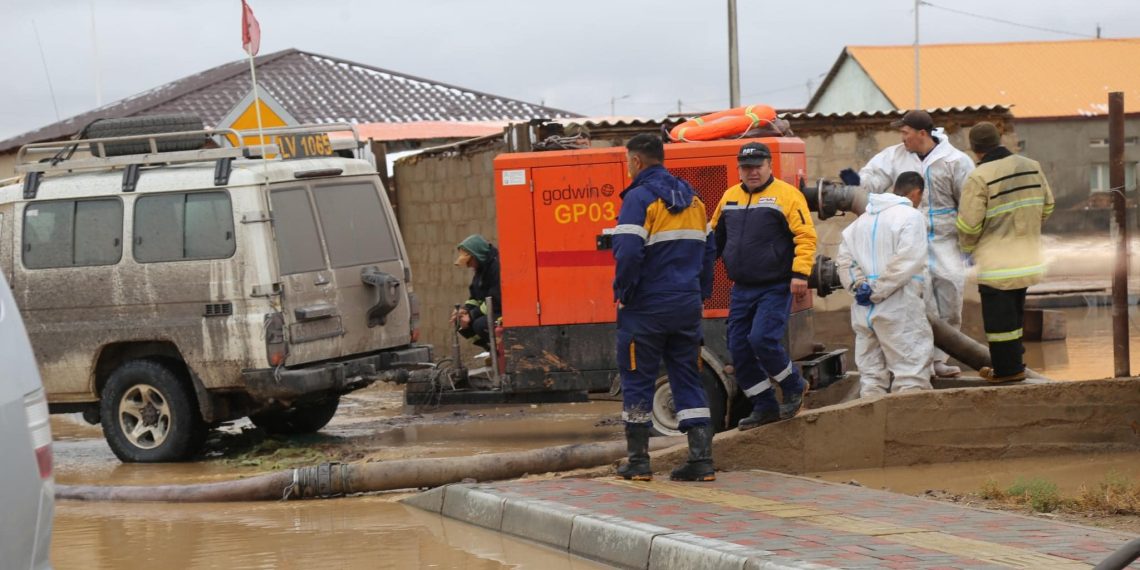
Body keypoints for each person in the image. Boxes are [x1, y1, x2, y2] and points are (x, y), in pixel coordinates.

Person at [612, 133, 717, 482]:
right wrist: (700, 293)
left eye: (627, 162)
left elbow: (628, 251)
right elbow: (709, 251)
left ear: (636, 161)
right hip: (686, 305)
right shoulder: (694, 200)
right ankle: (701, 462)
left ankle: (639, 462)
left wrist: (624, 291)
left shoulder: (639, 198)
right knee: (687, 376)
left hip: (646, 307)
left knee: (637, 378)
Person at [848, 110, 975, 379]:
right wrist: (854, 184)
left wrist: (970, 243)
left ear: (922, 134)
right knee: (916, 302)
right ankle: (920, 362)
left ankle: (939, 359)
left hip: (945, 240)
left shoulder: (955, 161)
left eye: (905, 133)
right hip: (907, 237)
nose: (902, 138)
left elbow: (970, 203)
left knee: (949, 298)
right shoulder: (895, 156)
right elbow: (873, 177)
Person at [711, 142, 817, 431]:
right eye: (747, 167)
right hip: (742, 287)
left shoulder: (787, 196)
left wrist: (800, 274)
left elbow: (806, 236)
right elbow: (715, 239)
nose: (753, 172)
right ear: (739, 170)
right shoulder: (730, 197)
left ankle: (794, 385)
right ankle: (764, 405)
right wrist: (698, 273)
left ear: (769, 166)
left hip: (776, 285)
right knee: (738, 348)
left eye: (758, 166)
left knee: (761, 339)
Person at [957, 122, 1055, 383]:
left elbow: (969, 225)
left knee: (999, 325)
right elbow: (1047, 206)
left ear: (975, 149)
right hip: (1027, 259)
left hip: (997, 264)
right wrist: (1027, 232)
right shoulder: (1031, 166)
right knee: (1014, 316)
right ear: (999, 140)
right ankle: (1015, 364)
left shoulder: (979, 177)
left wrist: (967, 250)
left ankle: (1007, 372)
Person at [837, 172, 934, 397]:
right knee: (910, 374)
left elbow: (845, 262)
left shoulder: (857, 225)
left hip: (863, 311)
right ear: (916, 194)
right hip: (898, 306)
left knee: (871, 377)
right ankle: (909, 416)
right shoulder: (911, 217)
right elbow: (907, 260)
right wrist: (877, 290)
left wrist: (859, 287)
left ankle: (872, 416)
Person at [450, 234, 501, 351]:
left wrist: (471, 315)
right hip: (490, 310)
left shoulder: (496, 267)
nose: (468, 265)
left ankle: (500, 352)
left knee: (480, 324)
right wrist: (465, 310)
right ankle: (490, 350)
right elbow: (474, 297)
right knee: (460, 323)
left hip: (503, 311)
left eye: (469, 261)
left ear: (478, 255)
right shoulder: (480, 270)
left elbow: (495, 301)